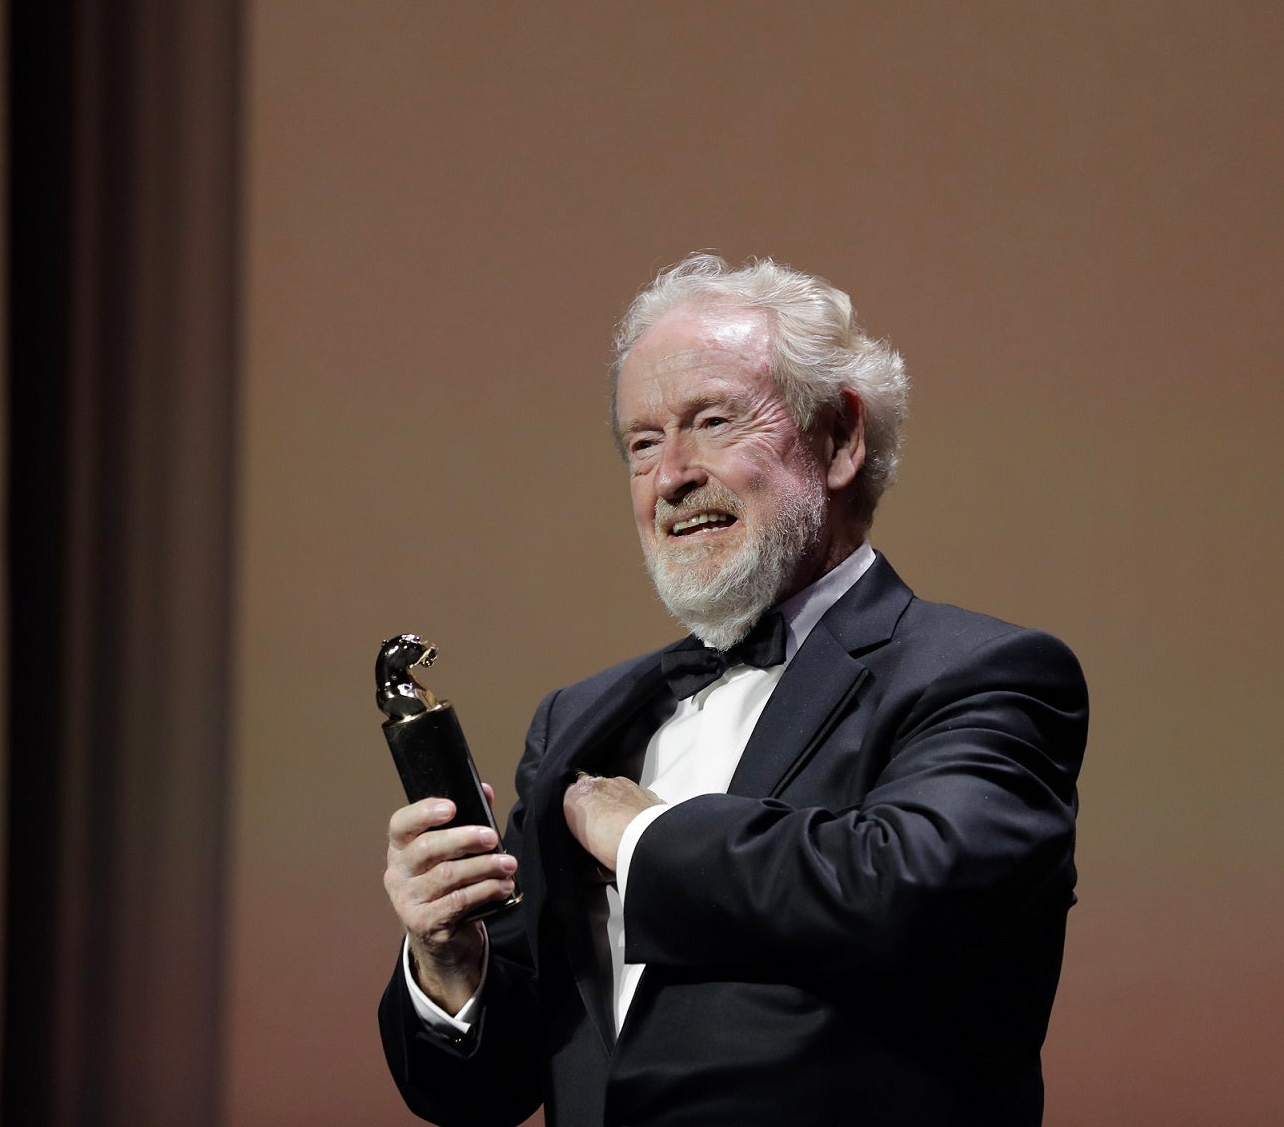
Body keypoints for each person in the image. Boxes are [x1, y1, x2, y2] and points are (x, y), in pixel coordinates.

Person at [379, 253, 1089, 1127]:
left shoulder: (984, 673)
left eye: (711, 421)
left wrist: (646, 838)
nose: (670, 475)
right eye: (642, 443)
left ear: (839, 440)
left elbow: (908, 888)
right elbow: (480, 1090)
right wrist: (450, 958)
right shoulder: (579, 723)